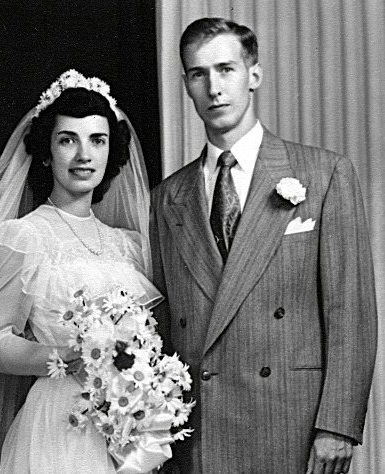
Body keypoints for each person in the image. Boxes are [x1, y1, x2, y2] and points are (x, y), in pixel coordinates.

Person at [150, 18, 377, 474]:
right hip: (202, 431)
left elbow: (349, 309)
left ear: (253, 75)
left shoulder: (323, 174)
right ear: (186, 85)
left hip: (293, 425)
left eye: (226, 69)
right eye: (198, 74)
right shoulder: (166, 198)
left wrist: (337, 426)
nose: (214, 88)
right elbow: (167, 323)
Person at [0, 70, 163, 473]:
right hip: (58, 425)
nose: (84, 155)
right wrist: (63, 356)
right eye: (68, 140)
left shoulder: (129, 245)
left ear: (112, 151)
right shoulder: (23, 237)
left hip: (127, 422)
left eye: (97, 140)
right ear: (47, 152)